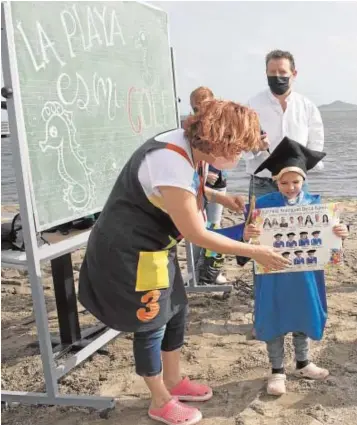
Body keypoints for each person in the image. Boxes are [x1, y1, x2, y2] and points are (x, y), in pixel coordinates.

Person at [78, 100, 290, 425]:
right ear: (219, 141)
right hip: (133, 252)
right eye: (237, 150)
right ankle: (159, 399)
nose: (240, 158)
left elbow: (192, 184)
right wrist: (256, 252)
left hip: (159, 247)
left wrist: (217, 196)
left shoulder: (192, 147)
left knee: (177, 308)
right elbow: (197, 233)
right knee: (152, 323)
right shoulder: (169, 161)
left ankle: (174, 382)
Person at [241, 136, 348, 396]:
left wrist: (341, 232)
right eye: (284, 182)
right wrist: (247, 233)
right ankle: (277, 370)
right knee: (274, 315)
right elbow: (245, 241)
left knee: (303, 313)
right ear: (275, 181)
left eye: (295, 182)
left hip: (305, 274)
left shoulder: (317, 205)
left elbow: (330, 241)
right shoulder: (262, 206)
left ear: (304, 180)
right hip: (273, 274)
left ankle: (302, 362)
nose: (290, 187)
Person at [245, 49, 324, 200]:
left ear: (294, 74)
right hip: (263, 182)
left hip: (297, 183)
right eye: (272, 72)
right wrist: (255, 147)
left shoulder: (307, 106)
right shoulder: (252, 105)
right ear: (266, 73)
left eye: (282, 71)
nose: (277, 76)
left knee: (299, 224)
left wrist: (302, 170)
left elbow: (316, 143)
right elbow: (242, 144)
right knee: (257, 224)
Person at [189, 87, 228, 285]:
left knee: (214, 227)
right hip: (195, 186)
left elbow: (226, 153)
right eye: (196, 109)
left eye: (205, 107)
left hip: (217, 184)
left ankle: (212, 270)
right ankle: (195, 273)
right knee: (196, 228)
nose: (201, 113)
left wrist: (213, 172)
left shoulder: (222, 125)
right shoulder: (190, 128)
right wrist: (201, 175)